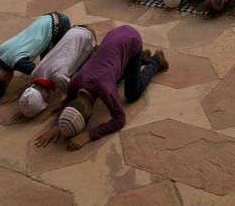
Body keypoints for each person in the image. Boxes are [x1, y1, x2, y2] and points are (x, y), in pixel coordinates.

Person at [34, 25, 167, 150]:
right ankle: (141, 58)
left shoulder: (105, 88)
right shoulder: (75, 81)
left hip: (132, 39)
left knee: (132, 94)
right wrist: (56, 125)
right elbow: (69, 100)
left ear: (89, 113)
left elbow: (120, 119)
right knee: (115, 74)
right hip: (114, 35)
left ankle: (156, 59)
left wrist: (90, 135)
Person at [0, 12, 72, 100]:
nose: (10, 82)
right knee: (45, 60)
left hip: (59, 25)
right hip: (47, 18)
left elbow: (41, 74)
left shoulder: (18, 62)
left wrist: (18, 93)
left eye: (8, 84)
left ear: (4, 76)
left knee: (54, 64)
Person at [14, 25, 98, 120]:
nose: (47, 101)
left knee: (82, 76)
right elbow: (30, 88)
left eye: (45, 101)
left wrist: (51, 109)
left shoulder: (59, 77)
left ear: (45, 94)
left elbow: (74, 96)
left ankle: (95, 49)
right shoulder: (35, 74)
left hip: (88, 36)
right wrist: (24, 106)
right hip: (74, 30)